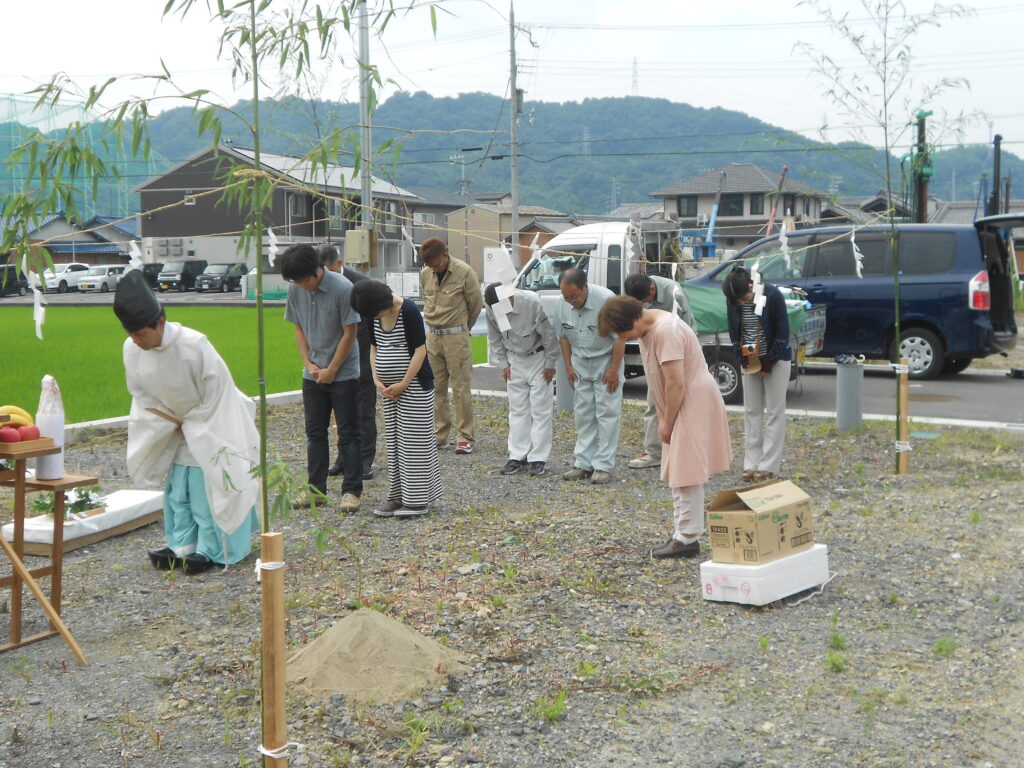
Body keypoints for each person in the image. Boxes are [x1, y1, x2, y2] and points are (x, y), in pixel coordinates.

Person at [114, 270, 260, 574]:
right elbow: (140, 394)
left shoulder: (195, 346)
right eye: (131, 334)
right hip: (172, 425)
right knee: (178, 491)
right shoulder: (131, 349)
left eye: (141, 334)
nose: (136, 341)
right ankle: (181, 545)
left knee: (207, 487)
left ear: (160, 323)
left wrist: (193, 425)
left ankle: (214, 548)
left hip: (211, 424)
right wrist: (168, 421)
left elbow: (218, 392)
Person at [598, 295, 732, 559]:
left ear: (635, 318)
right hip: (681, 400)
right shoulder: (652, 324)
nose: (626, 339)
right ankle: (683, 533)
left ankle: (687, 537)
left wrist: (667, 423)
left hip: (689, 399)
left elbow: (676, 383)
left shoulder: (665, 331)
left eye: (624, 333)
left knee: (687, 470)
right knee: (681, 468)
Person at [350, 279, 442, 517]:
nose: (374, 317)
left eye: (374, 313)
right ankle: (398, 495)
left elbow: (420, 349)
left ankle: (417, 500)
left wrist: (403, 383)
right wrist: (377, 378)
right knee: (395, 442)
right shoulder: (373, 315)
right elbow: (374, 347)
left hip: (414, 386)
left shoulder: (408, 310)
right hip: (388, 390)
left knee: (414, 442)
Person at [281, 243, 362, 512]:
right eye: (296, 281)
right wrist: (308, 363)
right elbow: (299, 328)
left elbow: (350, 333)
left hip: (344, 373)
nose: (301, 285)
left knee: (348, 433)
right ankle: (316, 490)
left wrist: (332, 369)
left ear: (317, 270)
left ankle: (351, 491)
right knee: (314, 432)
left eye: (304, 280)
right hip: (313, 372)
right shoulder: (295, 289)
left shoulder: (342, 288)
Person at [554, 268, 625, 484]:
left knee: (607, 413)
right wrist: (567, 366)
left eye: (574, 296)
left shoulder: (607, 301)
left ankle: (603, 464)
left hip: (605, 359)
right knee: (583, 413)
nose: (570, 301)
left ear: (585, 287)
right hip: (580, 362)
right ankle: (583, 462)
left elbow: (621, 337)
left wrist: (614, 368)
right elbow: (564, 337)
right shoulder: (562, 304)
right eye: (566, 296)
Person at [722, 265, 792, 482]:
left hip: (777, 359)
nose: (743, 303)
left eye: (745, 298)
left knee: (774, 411)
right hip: (749, 359)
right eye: (738, 302)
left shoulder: (772, 294)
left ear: (752, 285)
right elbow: (734, 331)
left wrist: (768, 362)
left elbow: (783, 331)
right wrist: (743, 358)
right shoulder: (733, 299)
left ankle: (769, 464)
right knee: (751, 411)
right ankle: (751, 462)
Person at [484, 282, 559, 477]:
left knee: (540, 410)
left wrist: (550, 364)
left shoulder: (532, 302)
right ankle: (517, 455)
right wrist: (504, 364)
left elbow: (549, 336)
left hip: (538, 357)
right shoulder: (492, 308)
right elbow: (494, 338)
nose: (500, 310)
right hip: (514, 358)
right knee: (517, 410)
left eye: (503, 303)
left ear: (510, 296)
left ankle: (538, 457)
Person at [623, 272, 696, 470]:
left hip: (677, 353)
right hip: (654, 353)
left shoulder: (675, 293)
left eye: (644, 301)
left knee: (682, 402)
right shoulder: (636, 294)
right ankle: (654, 452)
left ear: (652, 289)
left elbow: (689, 327)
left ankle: (685, 451)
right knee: (654, 401)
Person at [419, 237, 483, 454]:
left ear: (445, 255)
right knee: (435, 387)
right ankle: (439, 434)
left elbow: (475, 305)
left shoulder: (464, 272)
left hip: (456, 335)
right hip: (433, 336)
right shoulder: (425, 273)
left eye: (436, 264)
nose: (433, 269)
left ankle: (464, 437)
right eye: (429, 265)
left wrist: (463, 329)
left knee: (461, 387)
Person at [318, 244, 377, 481]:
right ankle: (344, 458)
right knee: (340, 411)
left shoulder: (362, 284)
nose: (326, 277)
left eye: (329, 271)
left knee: (364, 408)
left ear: (339, 264)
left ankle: (365, 460)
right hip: (336, 354)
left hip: (363, 353)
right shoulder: (320, 285)